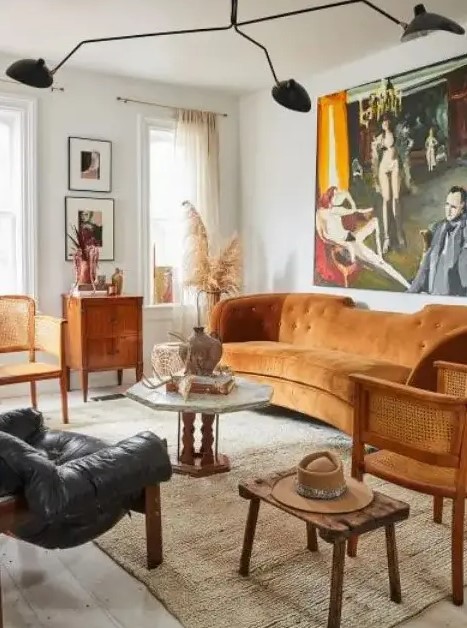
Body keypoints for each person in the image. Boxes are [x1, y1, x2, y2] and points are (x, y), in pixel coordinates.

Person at [316, 186, 410, 289]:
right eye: (336, 195)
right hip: (347, 243)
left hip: (351, 237)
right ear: (330, 196)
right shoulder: (320, 213)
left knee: (375, 221)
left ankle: (380, 254)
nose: (340, 197)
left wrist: (354, 202)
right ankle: (408, 285)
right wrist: (340, 244)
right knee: (380, 264)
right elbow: (324, 236)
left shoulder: (335, 209)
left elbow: (354, 210)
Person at [408, 186, 467, 296]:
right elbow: (426, 265)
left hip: (454, 299)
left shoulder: (465, 231)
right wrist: (410, 293)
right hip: (433, 295)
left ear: (463, 207)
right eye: (447, 205)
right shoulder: (439, 228)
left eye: (453, 207)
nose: (448, 210)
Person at [372, 115, 405, 254]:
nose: (385, 123)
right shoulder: (377, 138)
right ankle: (386, 237)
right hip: (383, 167)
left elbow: (402, 151)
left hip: (395, 164)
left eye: (387, 120)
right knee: (386, 200)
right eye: (383, 121)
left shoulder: (397, 133)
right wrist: (375, 180)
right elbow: (374, 160)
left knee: (396, 199)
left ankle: (398, 233)